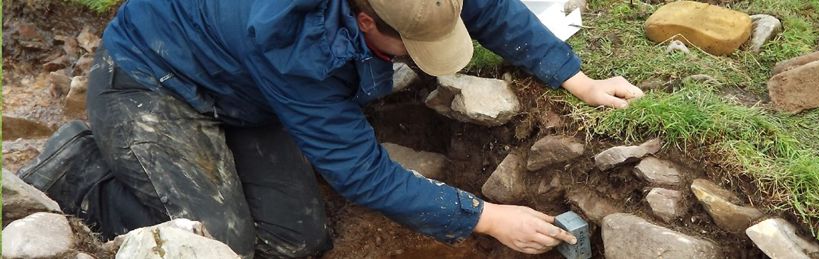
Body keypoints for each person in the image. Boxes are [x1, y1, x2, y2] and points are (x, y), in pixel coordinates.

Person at [17, 0, 644, 258]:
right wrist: (484, 217)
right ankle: (78, 168)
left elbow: (481, 5)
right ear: (366, 20)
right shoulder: (292, 39)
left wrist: (577, 81)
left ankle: (207, 161)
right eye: (409, 45)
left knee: (297, 239)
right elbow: (355, 170)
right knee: (225, 244)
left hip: (245, 94)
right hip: (156, 79)